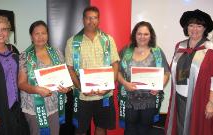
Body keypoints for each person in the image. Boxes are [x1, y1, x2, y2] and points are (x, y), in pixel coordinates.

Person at [165, 9, 213, 135]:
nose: (194, 29)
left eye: (199, 26)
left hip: (200, 98)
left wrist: (211, 102)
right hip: (179, 97)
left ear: (205, 29)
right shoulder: (180, 46)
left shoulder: (211, 50)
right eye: (191, 25)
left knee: (197, 129)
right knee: (180, 127)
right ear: (186, 27)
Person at [65, 6, 119, 135]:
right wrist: (80, 87)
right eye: (88, 18)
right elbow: (70, 68)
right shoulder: (72, 42)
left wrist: (109, 86)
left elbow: (115, 64)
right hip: (83, 96)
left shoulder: (108, 40)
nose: (91, 21)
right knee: (81, 129)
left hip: (104, 95)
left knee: (101, 127)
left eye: (94, 18)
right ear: (83, 20)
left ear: (98, 20)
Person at [18, 20, 70, 135]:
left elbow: (65, 78)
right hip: (34, 106)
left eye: (44, 33)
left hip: (55, 105)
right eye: (37, 34)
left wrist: (67, 88)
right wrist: (37, 89)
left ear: (48, 35)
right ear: (31, 36)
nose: (41, 37)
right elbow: (21, 83)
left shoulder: (57, 53)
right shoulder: (25, 56)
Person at [117, 21, 170, 135]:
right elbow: (117, 71)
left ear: (151, 35)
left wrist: (159, 86)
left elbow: (166, 73)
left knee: (145, 130)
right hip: (129, 99)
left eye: (146, 34)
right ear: (134, 35)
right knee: (130, 129)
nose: (142, 37)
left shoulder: (157, 52)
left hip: (149, 100)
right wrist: (125, 83)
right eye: (139, 33)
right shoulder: (126, 51)